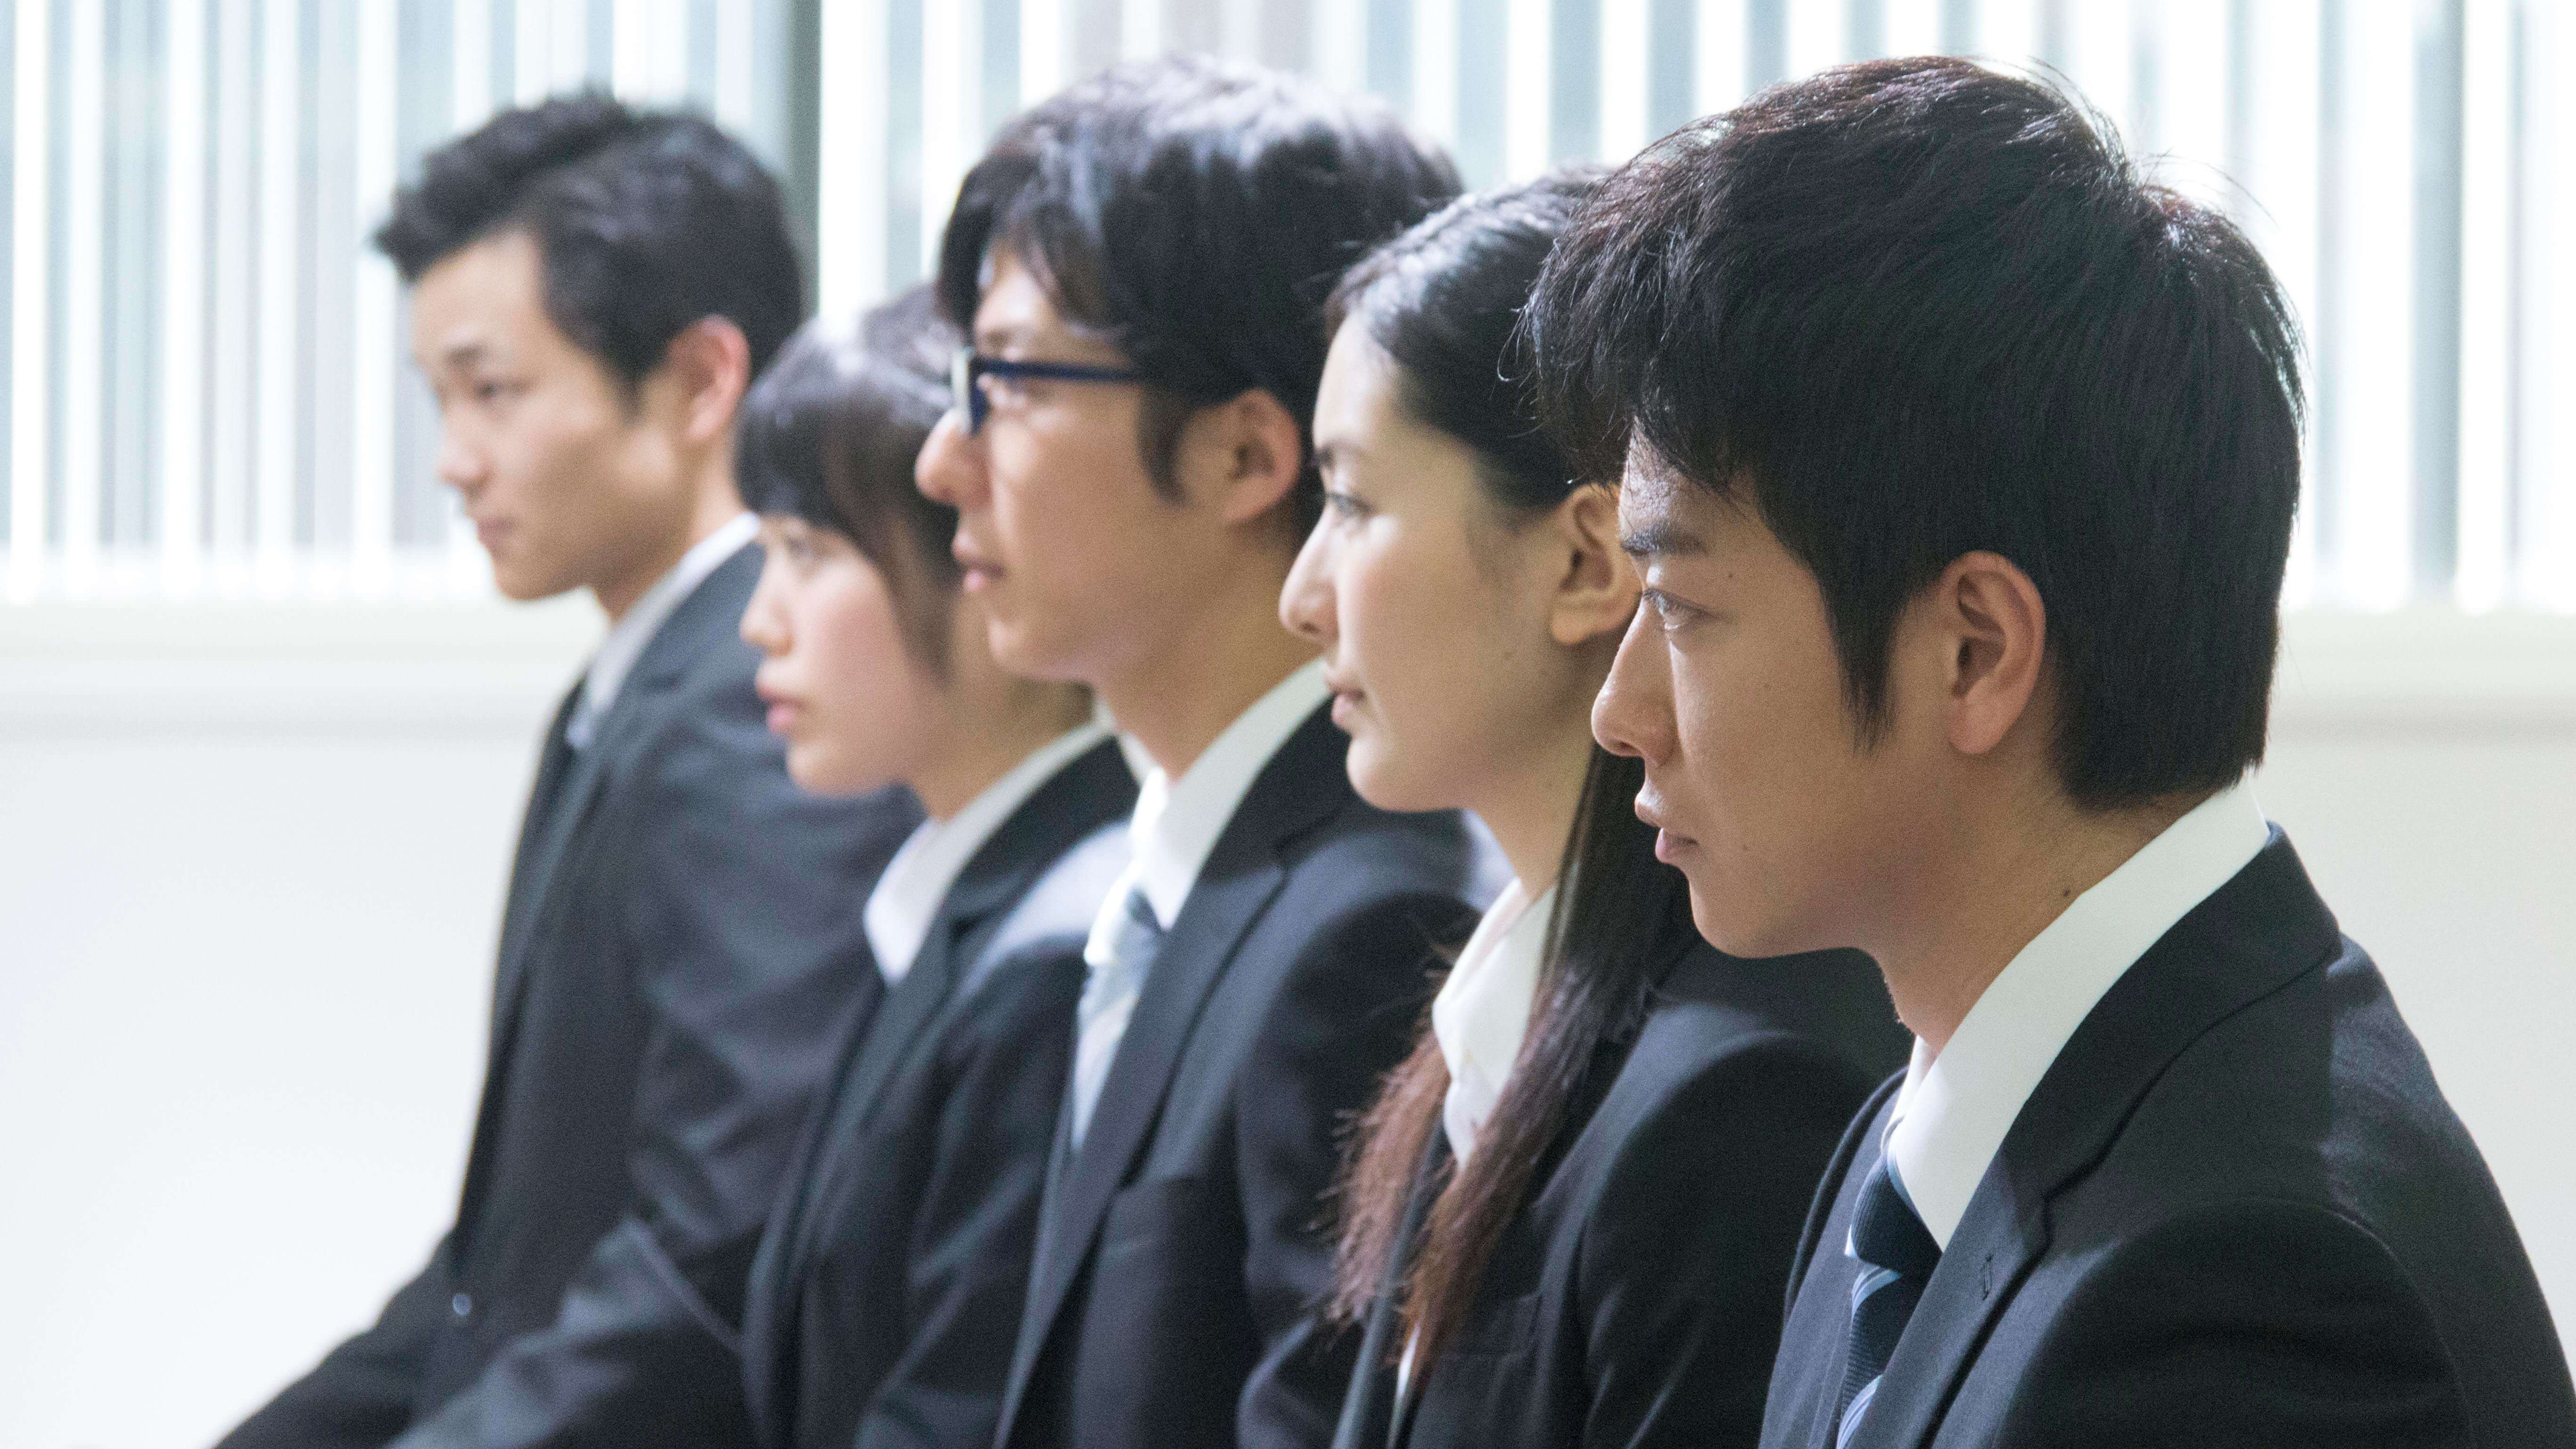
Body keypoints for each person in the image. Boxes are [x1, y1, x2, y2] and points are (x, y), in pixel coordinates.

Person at [1527, 56, 2576, 1449]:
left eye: (1679, 607)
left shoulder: (2247, 1293)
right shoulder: (1937, 1132)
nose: (1619, 713)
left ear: (1974, 651)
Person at [215, 96, 919, 1449]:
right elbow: (499, 1270)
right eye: (439, 399)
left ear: (701, 380)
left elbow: (714, 1252)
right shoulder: (633, 692)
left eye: (495, 391)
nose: (453, 460)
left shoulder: (758, 708)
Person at [914, 56, 1500, 1449]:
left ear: (1247, 455)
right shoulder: (1187, 864)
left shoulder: (1366, 927)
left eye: (1007, 381)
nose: (943, 457)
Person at [1279, 172, 1908, 1449]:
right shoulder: (1517, 1008)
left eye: (1350, 504)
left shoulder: (1731, 1098)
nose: (1302, 595)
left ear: (1583, 560)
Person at [727, 288, 1136, 1449]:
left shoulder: (1059, 943)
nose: (761, 621)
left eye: (807, 554)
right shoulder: (960, 903)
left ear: (975, 557)